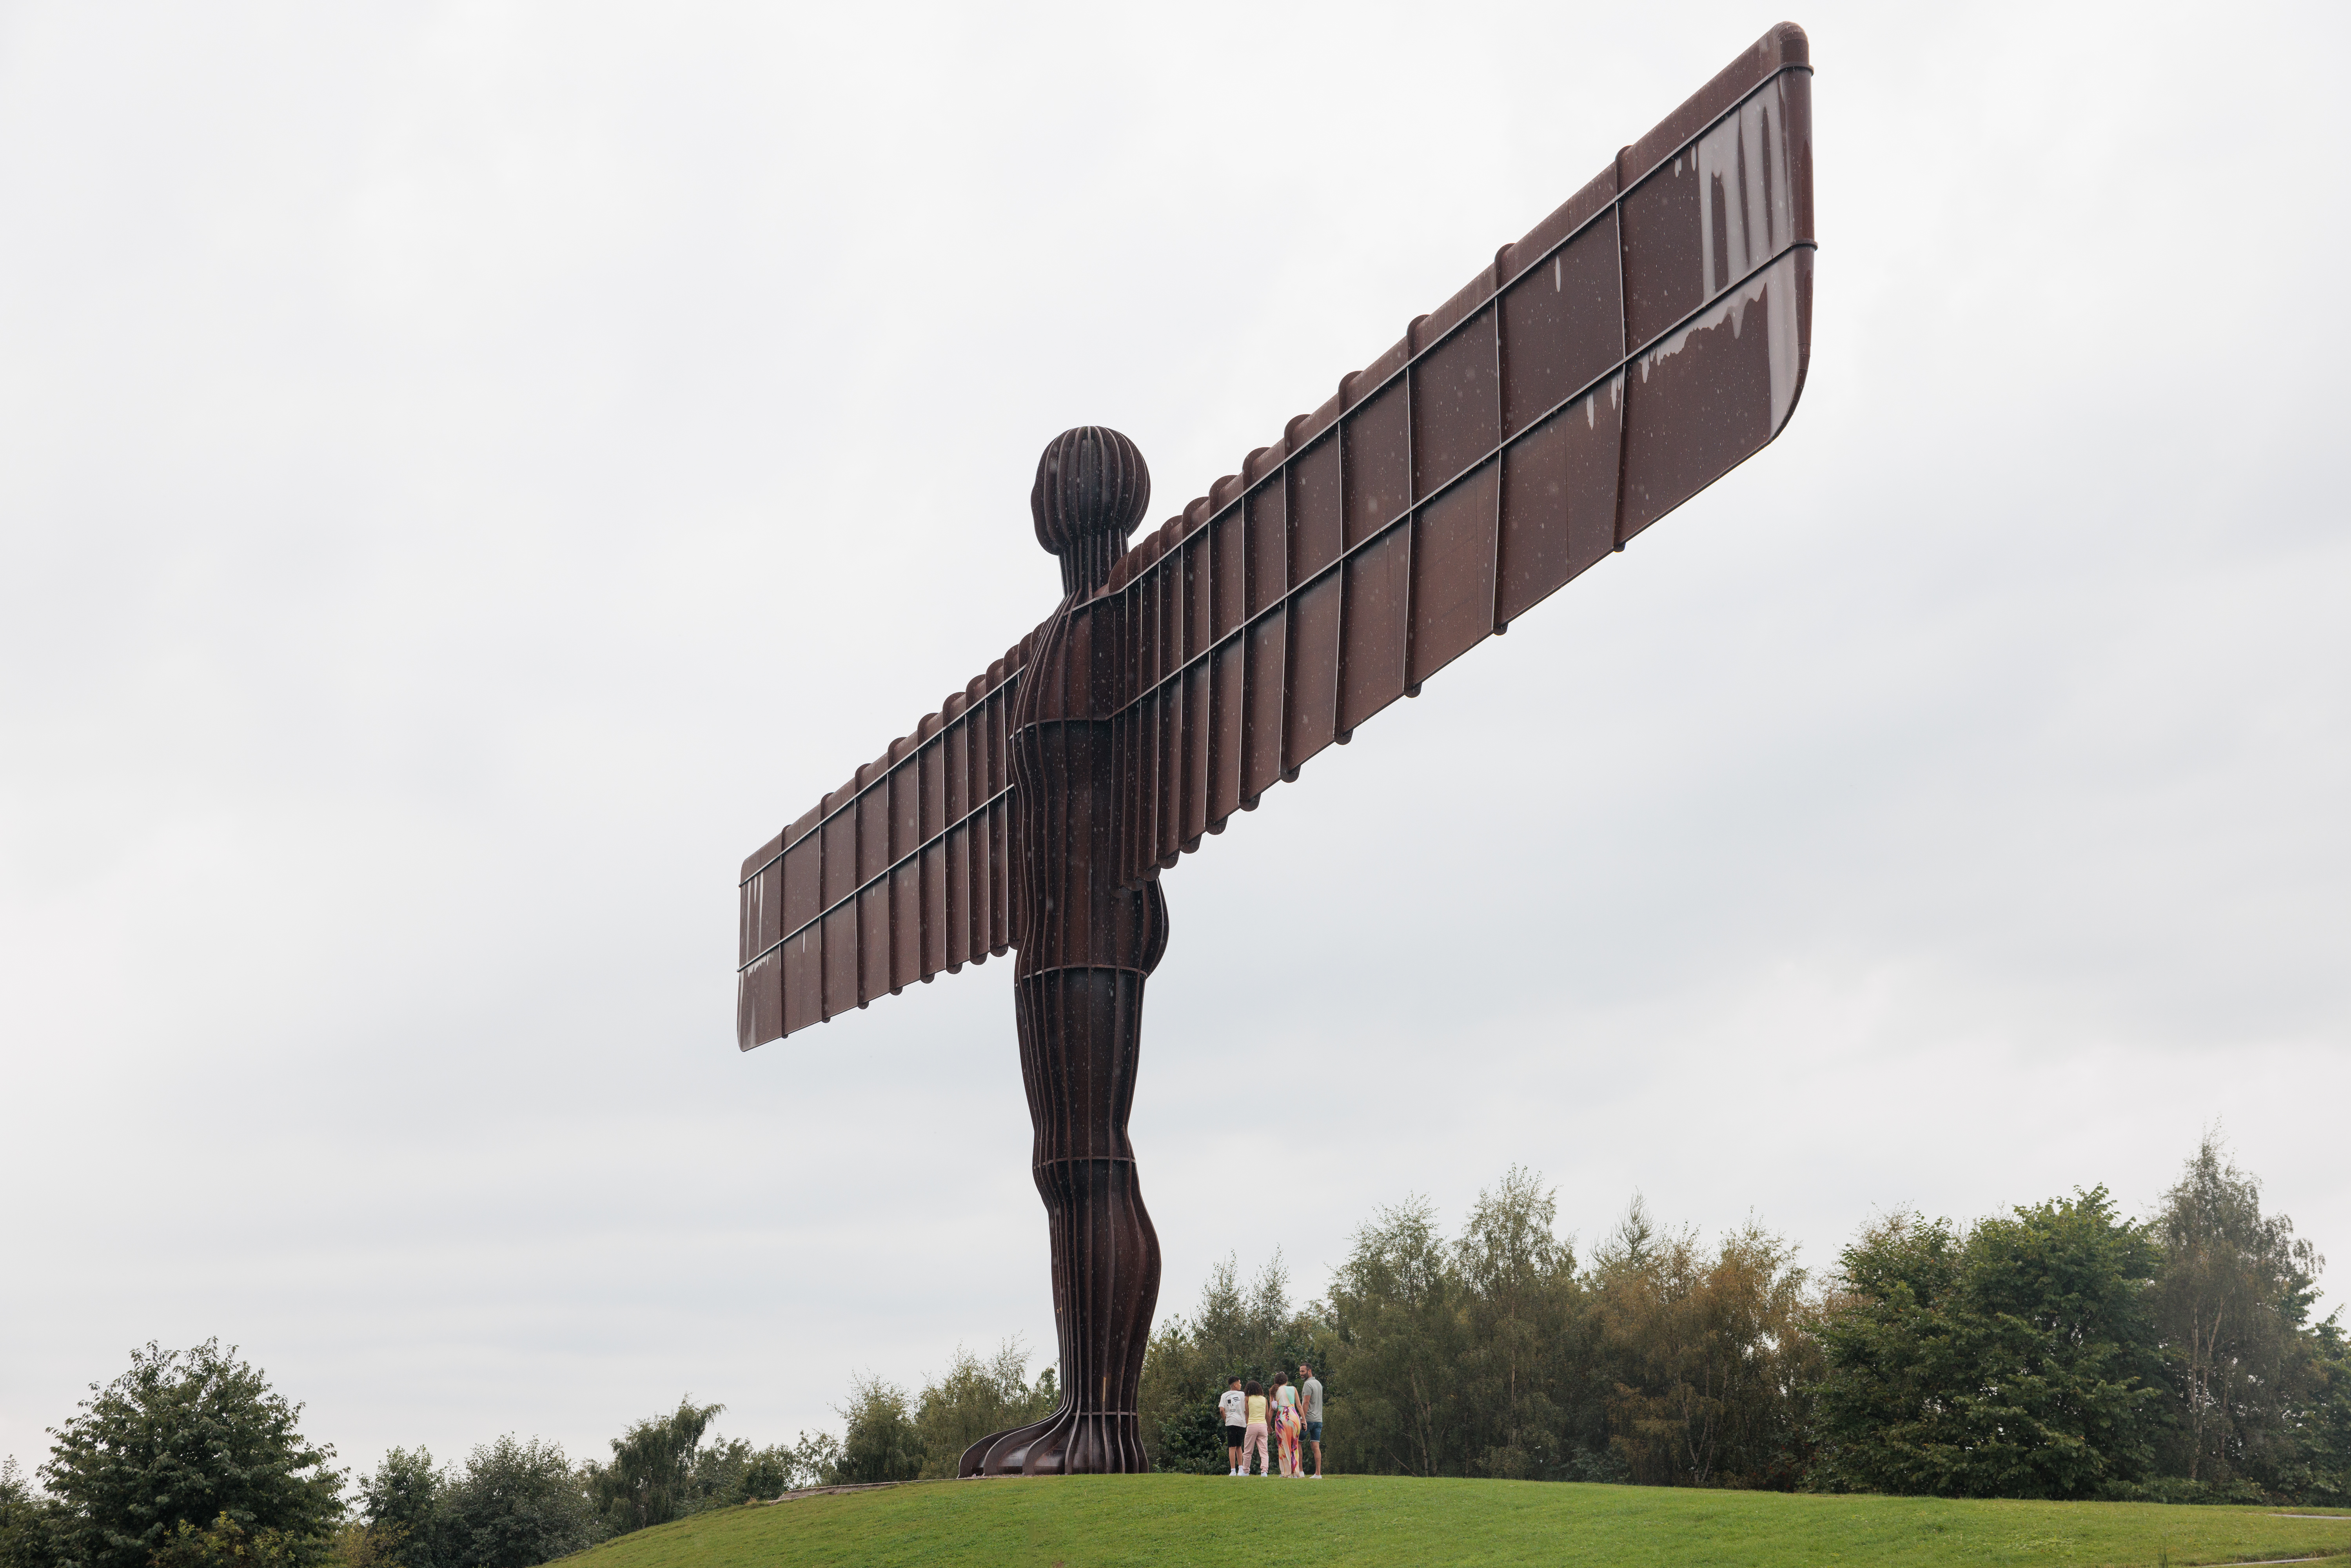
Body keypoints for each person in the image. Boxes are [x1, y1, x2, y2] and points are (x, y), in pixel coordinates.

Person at [1298, 1363, 1325, 1479]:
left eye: (1303, 1371)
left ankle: (1300, 1472)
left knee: (1298, 1443)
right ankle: (1318, 1474)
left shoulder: (1308, 1385)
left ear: (1310, 1371)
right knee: (1316, 1446)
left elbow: (1306, 1403)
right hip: (1319, 1420)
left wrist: (1303, 1419)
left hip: (1309, 1420)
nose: (1301, 1374)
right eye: (1300, 1372)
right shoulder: (1318, 1384)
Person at [1240, 1380, 1271, 1476]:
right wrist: (1269, 1427)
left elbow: (1247, 1413)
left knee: (1248, 1450)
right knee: (1264, 1451)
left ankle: (1245, 1471)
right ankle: (1265, 1471)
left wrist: (1248, 1424)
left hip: (1252, 1425)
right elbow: (1267, 1415)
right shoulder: (1264, 1399)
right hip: (1263, 1425)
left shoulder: (1247, 1399)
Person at [1273, 1372, 1301, 1477]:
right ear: (1286, 1381)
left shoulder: (1274, 1391)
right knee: (1295, 1445)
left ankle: (1286, 1472)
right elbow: (1299, 1406)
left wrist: (1268, 1424)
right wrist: (1304, 1420)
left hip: (1282, 1418)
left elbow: (1272, 1408)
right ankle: (1296, 1472)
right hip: (1294, 1417)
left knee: (1283, 1445)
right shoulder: (1293, 1389)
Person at [1218, 1376, 1247, 1476]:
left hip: (1231, 1422)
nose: (1241, 1385)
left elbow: (1222, 1410)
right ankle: (1241, 1469)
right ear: (1235, 1385)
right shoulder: (1243, 1395)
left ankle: (1233, 1471)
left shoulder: (1224, 1396)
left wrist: (1226, 1419)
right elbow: (1245, 1409)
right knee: (1239, 1446)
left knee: (1232, 1447)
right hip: (1241, 1422)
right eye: (1239, 1383)